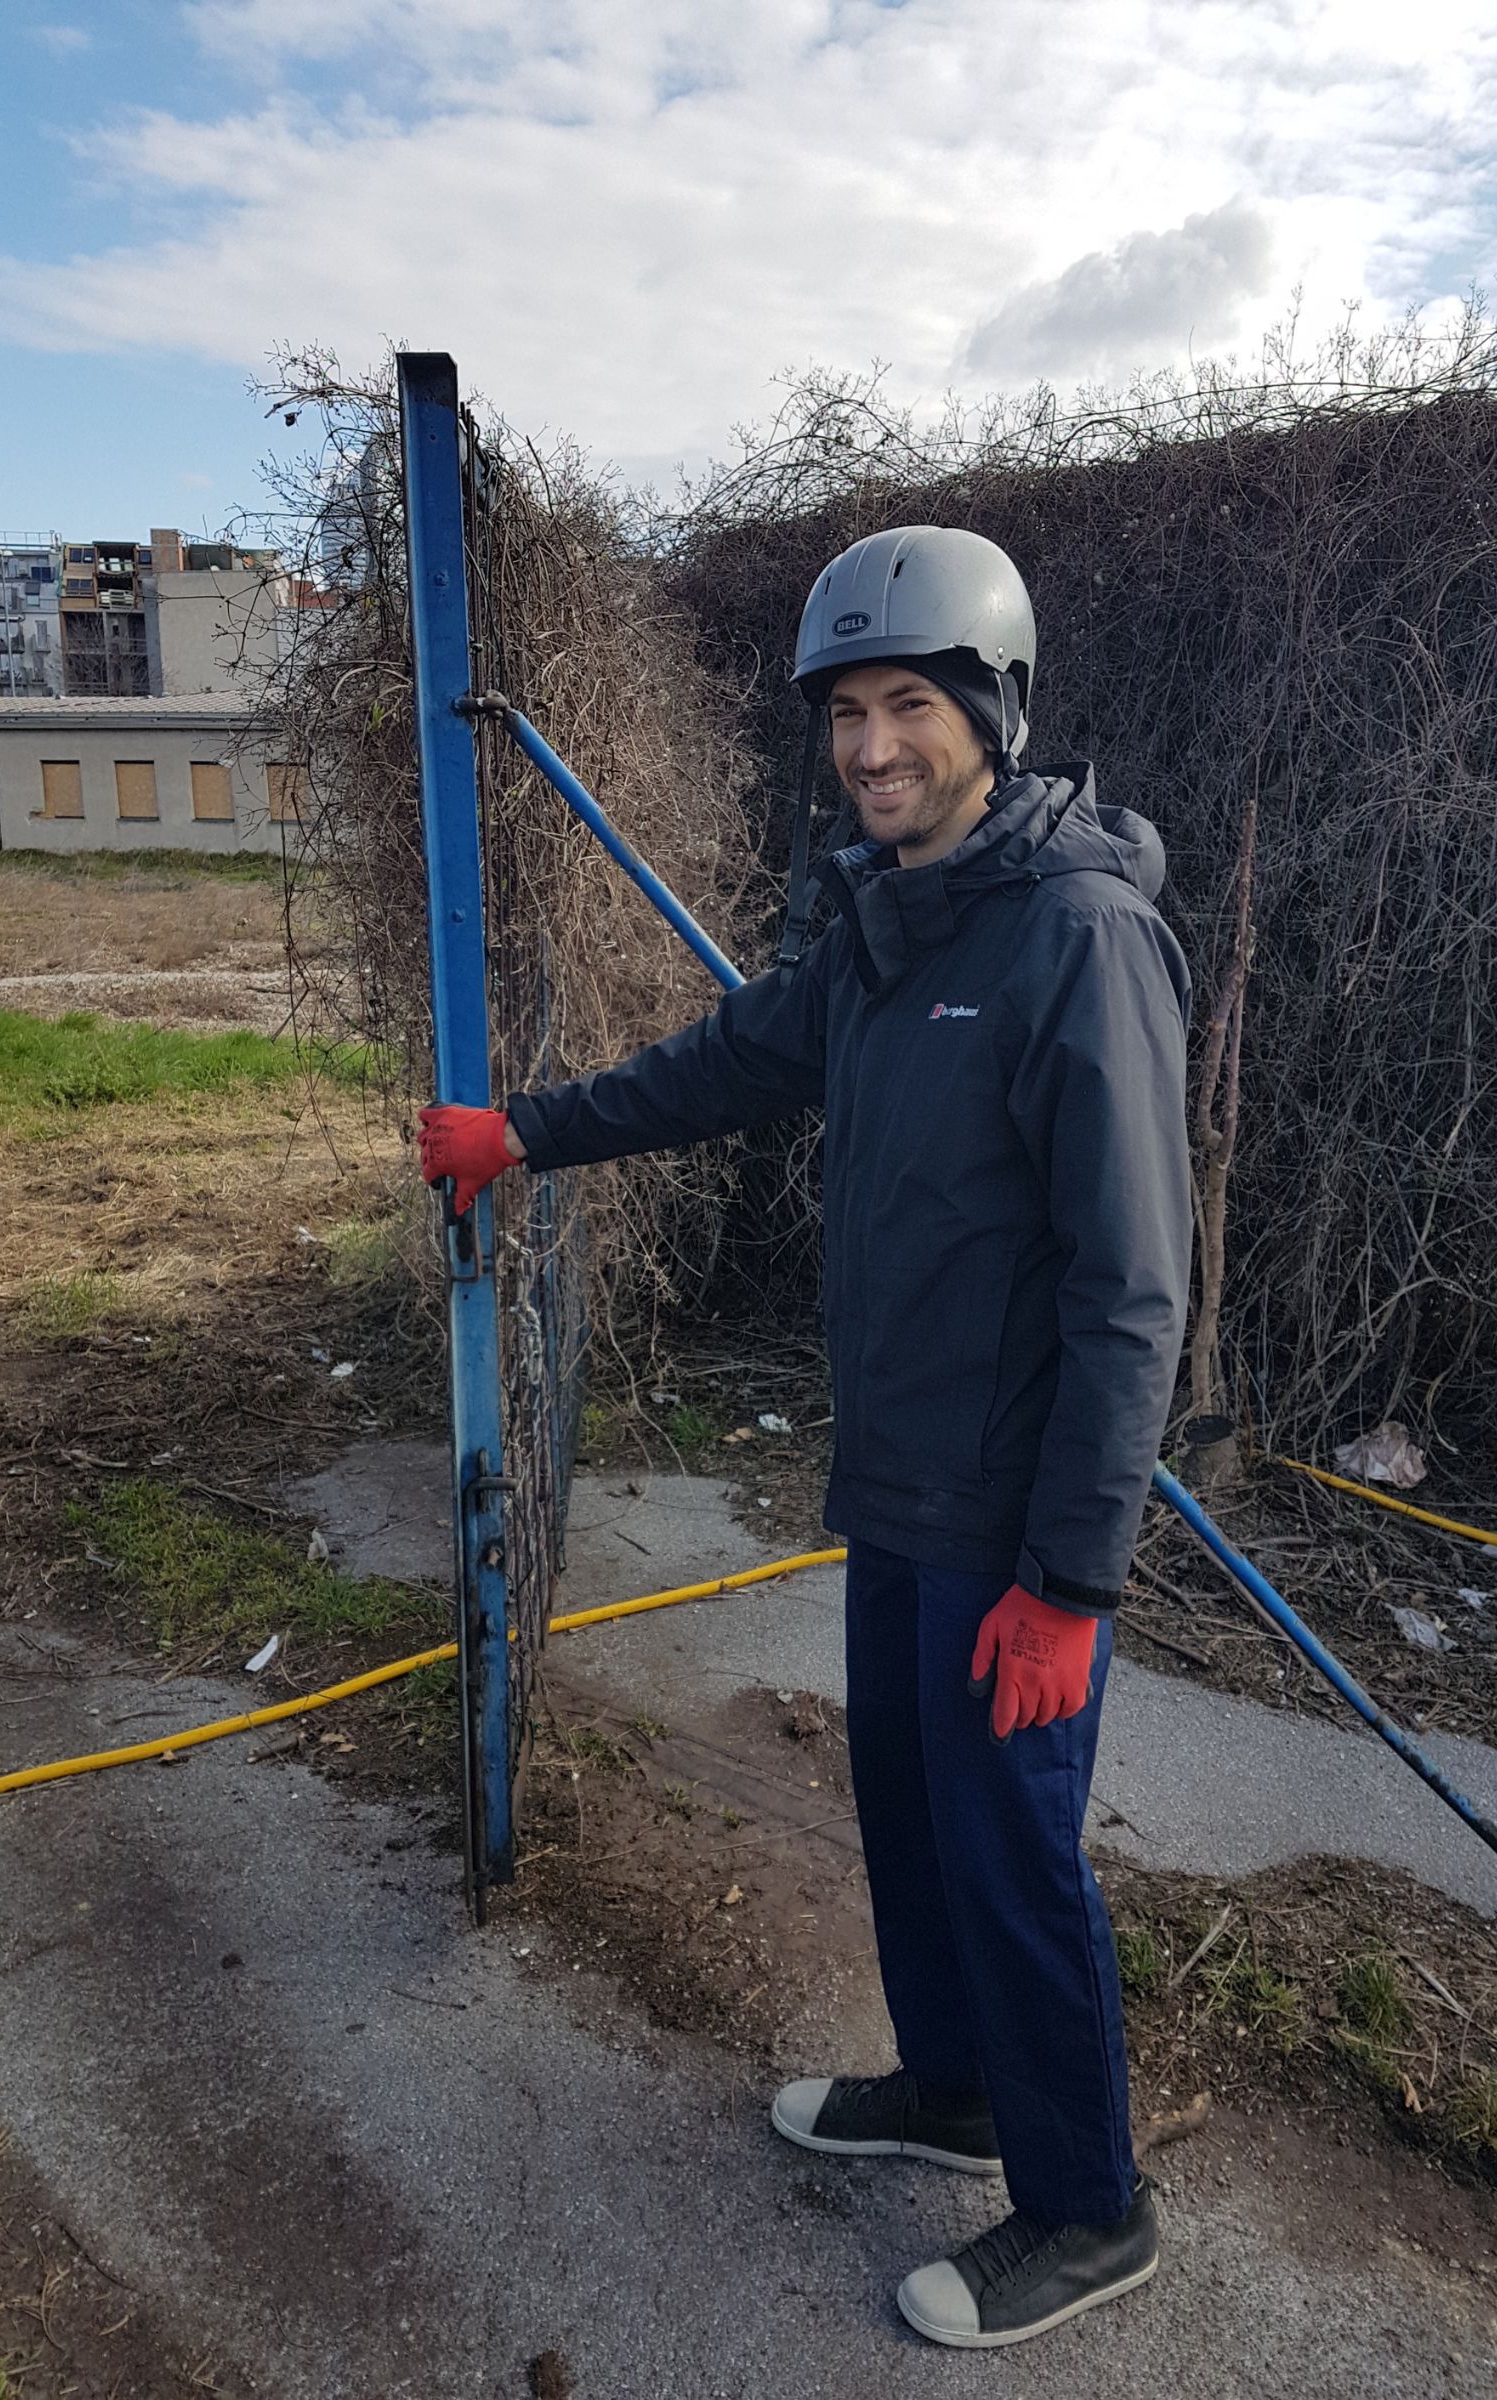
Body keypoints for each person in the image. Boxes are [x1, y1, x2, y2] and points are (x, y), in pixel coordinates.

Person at [412, 525, 1192, 2351]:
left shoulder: (1077, 936)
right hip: (902, 1482)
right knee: (910, 1816)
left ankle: (1091, 2205)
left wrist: (1074, 1581)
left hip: (1016, 1519)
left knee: (1013, 1852)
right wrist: (520, 1132)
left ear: (990, 709)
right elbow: (735, 1060)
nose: (869, 746)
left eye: (908, 703)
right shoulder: (884, 924)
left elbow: (1134, 1291)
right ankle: (956, 2089)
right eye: (846, 711)